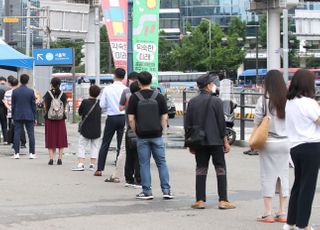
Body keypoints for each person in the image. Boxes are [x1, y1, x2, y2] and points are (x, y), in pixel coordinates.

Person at [184, 73, 235, 210]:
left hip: (199, 141)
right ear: (208, 85)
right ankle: (223, 200)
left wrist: (190, 143)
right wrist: (226, 141)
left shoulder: (192, 102)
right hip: (215, 140)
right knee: (220, 169)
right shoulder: (216, 101)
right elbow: (221, 123)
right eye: (212, 83)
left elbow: (187, 124)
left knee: (201, 169)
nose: (214, 85)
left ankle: (200, 200)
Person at [128, 71, 173, 200]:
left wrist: (136, 131)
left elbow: (131, 118)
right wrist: (163, 131)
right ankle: (166, 191)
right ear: (151, 81)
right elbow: (164, 116)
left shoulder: (134, 97)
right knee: (162, 163)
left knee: (144, 164)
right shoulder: (159, 96)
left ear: (138, 82)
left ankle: (147, 192)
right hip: (157, 134)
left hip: (142, 136)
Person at [283, 69, 320, 230]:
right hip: (311, 146)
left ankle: (291, 222)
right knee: (308, 187)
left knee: (299, 184)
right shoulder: (309, 103)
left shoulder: (290, 102)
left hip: (295, 147)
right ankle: (302, 224)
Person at [253, 70, 289, 223]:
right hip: (286, 143)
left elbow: (257, 122)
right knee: (283, 177)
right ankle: (282, 213)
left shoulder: (264, 100)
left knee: (268, 177)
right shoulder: (289, 100)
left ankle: (268, 213)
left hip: (269, 143)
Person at [94, 68, 127, 177]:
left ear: (114, 76)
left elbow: (102, 105)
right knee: (121, 145)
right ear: (124, 77)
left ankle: (99, 169)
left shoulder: (107, 89)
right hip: (123, 118)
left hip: (111, 117)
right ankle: (118, 170)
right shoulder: (126, 89)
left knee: (105, 143)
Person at [72, 85, 101, 171]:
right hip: (96, 129)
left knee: (82, 146)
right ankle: (92, 165)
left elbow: (80, 113)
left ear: (89, 92)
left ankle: (81, 164)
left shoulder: (85, 102)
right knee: (95, 147)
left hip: (85, 128)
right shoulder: (100, 103)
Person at [119, 72, 141, 187]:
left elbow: (121, 108)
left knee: (129, 155)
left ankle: (128, 178)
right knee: (139, 155)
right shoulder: (140, 100)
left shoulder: (128, 97)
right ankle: (138, 178)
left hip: (129, 130)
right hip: (139, 130)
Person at [43, 77, 68, 165]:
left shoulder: (47, 94)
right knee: (60, 137)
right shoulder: (63, 95)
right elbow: (64, 107)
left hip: (49, 119)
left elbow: (45, 107)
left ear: (51, 84)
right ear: (60, 84)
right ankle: (60, 159)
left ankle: (51, 159)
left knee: (50, 137)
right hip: (60, 119)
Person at [11, 74, 36, 159]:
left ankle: (16, 153)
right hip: (29, 115)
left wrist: (13, 116)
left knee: (17, 134)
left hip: (18, 115)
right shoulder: (31, 91)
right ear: (28, 81)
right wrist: (34, 116)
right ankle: (32, 153)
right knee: (31, 134)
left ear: (20, 80)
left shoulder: (15, 91)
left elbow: (13, 106)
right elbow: (33, 105)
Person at [3, 77, 26, 147]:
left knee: (11, 127)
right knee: (21, 127)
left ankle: (14, 142)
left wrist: (10, 108)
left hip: (11, 113)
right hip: (20, 113)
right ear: (18, 83)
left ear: (9, 84)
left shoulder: (7, 92)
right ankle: (22, 142)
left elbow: (5, 102)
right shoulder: (20, 92)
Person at [0, 76, 10, 143]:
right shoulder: (8, 88)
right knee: (4, 124)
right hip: (4, 108)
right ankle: (6, 140)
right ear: (5, 81)